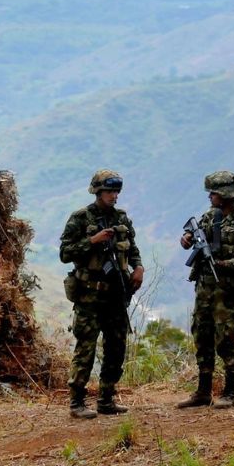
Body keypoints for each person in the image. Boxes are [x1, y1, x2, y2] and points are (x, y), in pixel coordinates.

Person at [59, 170, 144, 418]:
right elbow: (65, 253)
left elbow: (133, 249)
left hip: (116, 295)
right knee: (86, 348)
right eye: (109, 191)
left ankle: (106, 399)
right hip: (89, 296)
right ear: (97, 191)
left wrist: (138, 267)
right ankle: (77, 402)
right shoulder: (81, 218)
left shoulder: (121, 218)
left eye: (116, 191)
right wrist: (92, 241)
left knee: (116, 347)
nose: (114, 196)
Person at [177, 170, 234, 409]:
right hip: (205, 289)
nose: (210, 196)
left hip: (226, 291)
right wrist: (188, 238)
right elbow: (192, 234)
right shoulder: (209, 217)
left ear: (226, 195)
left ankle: (230, 392)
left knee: (226, 340)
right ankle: (203, 391)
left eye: (214, 192)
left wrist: (224, 265)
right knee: (202, 337)